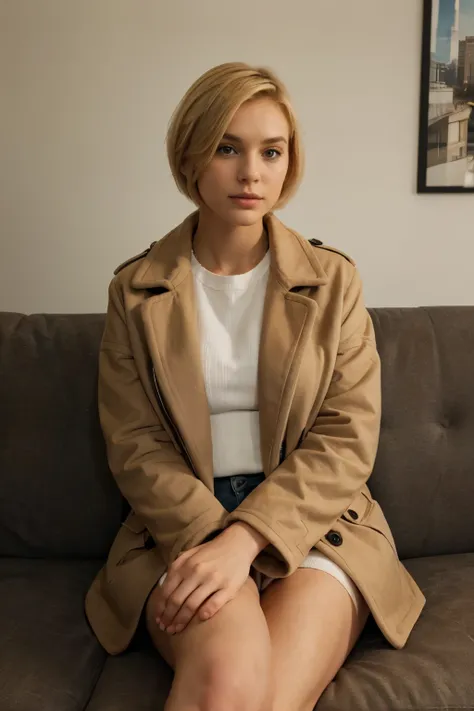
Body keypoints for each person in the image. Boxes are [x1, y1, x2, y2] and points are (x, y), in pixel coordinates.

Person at [85, 62, 425, 711]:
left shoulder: (334, 283)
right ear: (191, 153)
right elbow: (135, 445)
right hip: (179, 527)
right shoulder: (134, 291)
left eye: (271, 151)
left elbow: (346, 439)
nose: (252, 173)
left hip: (319, 526)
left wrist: (247, 538)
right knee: (227, 682)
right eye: (227, 147)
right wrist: (215, 538)